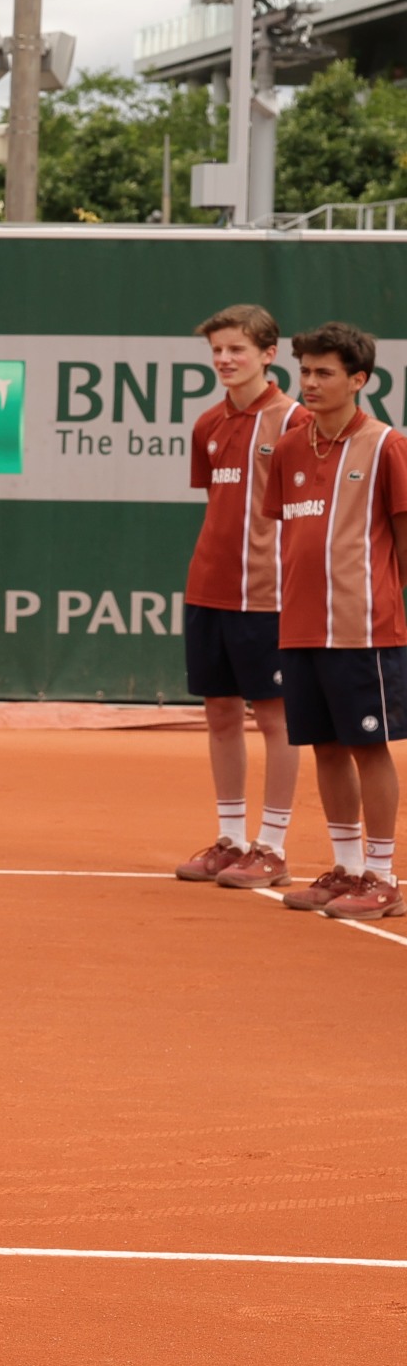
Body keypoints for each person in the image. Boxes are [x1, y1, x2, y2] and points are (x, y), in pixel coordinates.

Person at [265, 323, 407, 921]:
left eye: (326, 373)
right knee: (324, 745)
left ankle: (383, 876)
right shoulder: (292, 446)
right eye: (307, 372)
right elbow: (289, 533)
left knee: (367, 746)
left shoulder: (386, 445)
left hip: (363, 628)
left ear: (359, 380)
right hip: (300, 625)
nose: (312, 383)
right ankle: (346, 868)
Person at [174, 304, 302, 889]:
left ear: (269, 354)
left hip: (270, 596)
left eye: (237, 351)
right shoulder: (206, 425)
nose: (225, 360)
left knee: (276, 720)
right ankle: (232, 839)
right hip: (208, 590)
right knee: (220, 714)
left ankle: (271, 847)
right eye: (218, 351)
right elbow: (218, 508)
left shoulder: (297, 422)